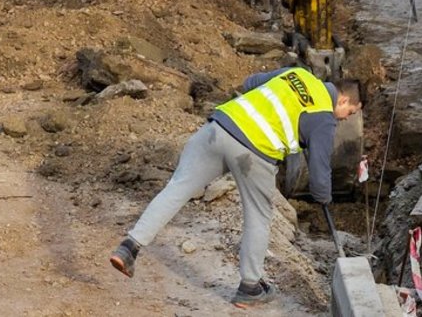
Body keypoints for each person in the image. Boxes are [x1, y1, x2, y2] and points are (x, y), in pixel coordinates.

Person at [108, 67, 362, 307]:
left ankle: (129, 247)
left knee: (176, 188)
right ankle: (249, 287)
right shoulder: (324, 118)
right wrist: (323, 197)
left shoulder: (297, 73)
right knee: (259, 217)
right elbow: (319, 172)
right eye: (350, 112)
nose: (345, 118)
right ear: (342, 101)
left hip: (218, 127)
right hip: (254, 152)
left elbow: (251, 82)